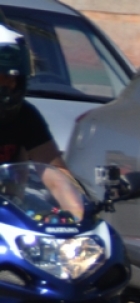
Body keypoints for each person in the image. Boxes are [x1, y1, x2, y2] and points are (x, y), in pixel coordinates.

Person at [0, 25, 83, 218]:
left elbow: (55, 173)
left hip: (9, 215)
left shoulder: (24, 115)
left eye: (13, 80)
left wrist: (79, 216)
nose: (7, 87)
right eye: (1, 78)